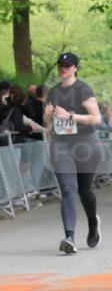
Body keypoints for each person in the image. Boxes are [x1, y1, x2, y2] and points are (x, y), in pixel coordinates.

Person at [44, 52, 102, 253]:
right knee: (68, 189)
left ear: (75, 68)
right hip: (61, 146)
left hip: (86, 144)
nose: (63, 68)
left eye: (67, 65)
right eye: (60, 64)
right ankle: (69, 237)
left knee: (84, 190)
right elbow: (49, 127)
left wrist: (71, 116)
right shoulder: (52, 92)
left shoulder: (83, 90)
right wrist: (48, 117)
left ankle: (93, 223)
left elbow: (96, 119)